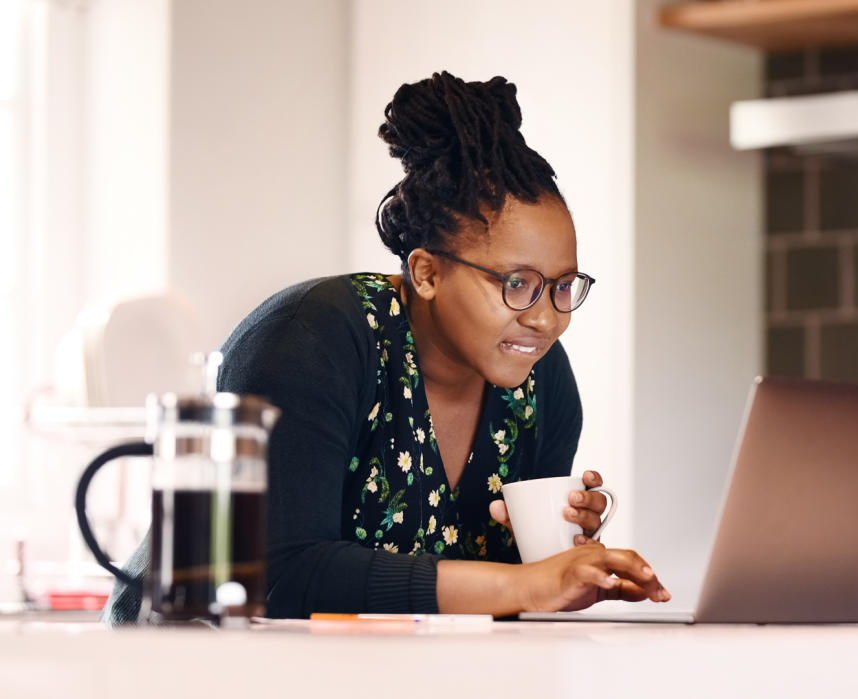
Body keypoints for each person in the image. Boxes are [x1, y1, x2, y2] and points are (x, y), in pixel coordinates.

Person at [103, 72, 668, 623]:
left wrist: (554, 559)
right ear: (426, 272)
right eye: (516, 284)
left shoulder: (542, 382)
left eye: (563, 286)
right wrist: (523, 583)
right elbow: (277, 575)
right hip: (181, 670)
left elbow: (503, 607)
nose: (546, 319)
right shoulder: (312, 339)